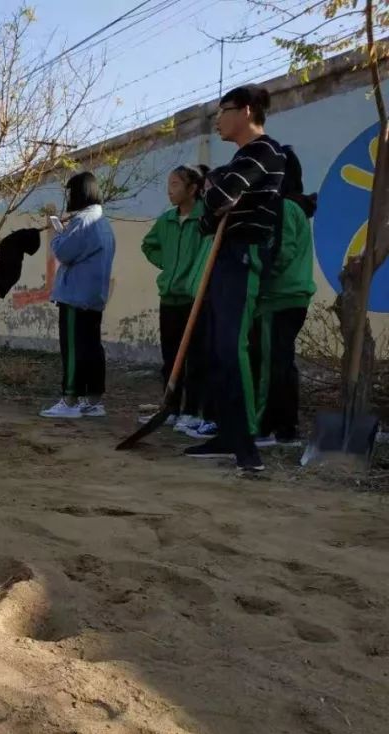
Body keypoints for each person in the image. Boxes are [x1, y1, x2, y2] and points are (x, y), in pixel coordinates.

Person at [186, 84, 286, 473]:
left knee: (231, 347)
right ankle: (228, 432)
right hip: (224, 253)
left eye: (223, 111)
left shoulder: (264, 152)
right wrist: (215, 194)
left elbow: (216, 198)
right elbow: (208, 220)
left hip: (243, 254)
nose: (217, 120)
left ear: (245, 111)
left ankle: (247, 445)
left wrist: (214, 190)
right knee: (216, 348)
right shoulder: (240, 160)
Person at [251, 147, 316, 448]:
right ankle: (286, 429)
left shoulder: (283, 208)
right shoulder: (297, 208)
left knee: (268, 365)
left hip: (278, 297)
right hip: (294, 296)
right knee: (282, 362)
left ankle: (263, 426)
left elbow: (281, 251)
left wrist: (256, 272)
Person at [140, 165, 212, 435]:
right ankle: (170, 408)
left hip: (193, 298)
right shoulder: (167, 220)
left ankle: (193, 410)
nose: (170, 190)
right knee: (170, 357)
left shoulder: (204, 219)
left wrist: (189, 273)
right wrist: (169, 266)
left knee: (195, 358)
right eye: (169, 184)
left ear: (192, 189)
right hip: (169, 298)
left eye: (175, 184)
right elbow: (148, 245)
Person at [40, 172, 116, 419]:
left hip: (75, 296)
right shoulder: (103, 222)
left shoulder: (83, 221)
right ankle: (93, 400)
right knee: (92, 348)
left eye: (70, 192)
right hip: (94, 296)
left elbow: (62, 251)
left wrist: (55, 228)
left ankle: (70, 399)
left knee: (73, 348)